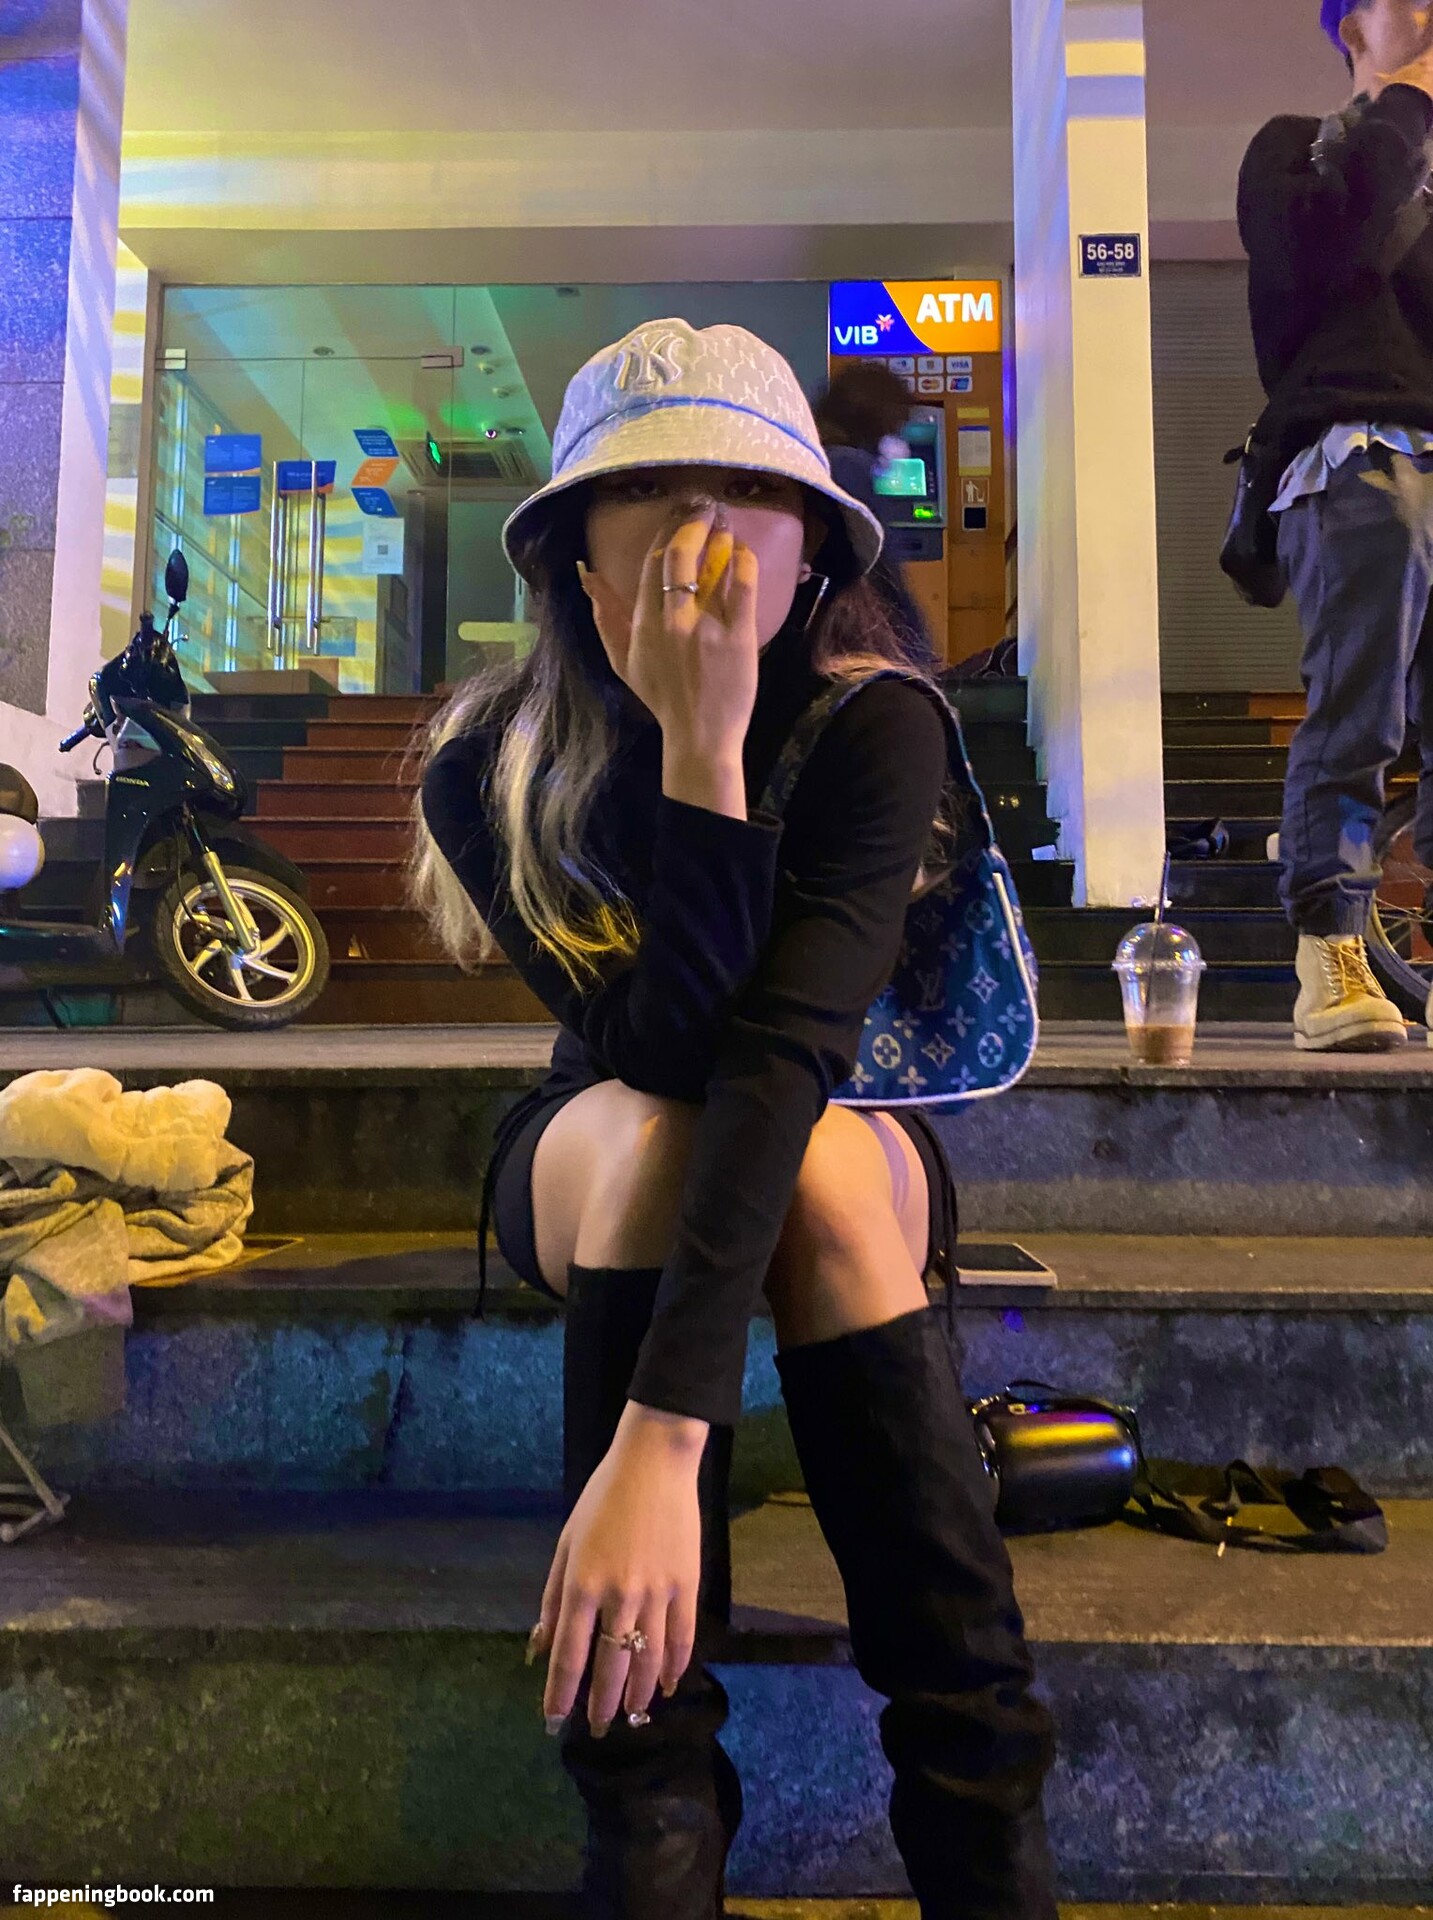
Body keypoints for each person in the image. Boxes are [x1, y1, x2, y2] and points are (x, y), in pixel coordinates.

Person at [412, 318, 1058, 1919]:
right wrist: (697, 758)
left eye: (751, 491)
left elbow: (781, 1057)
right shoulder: (490, 760)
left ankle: (980, 1801)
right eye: (653, 490)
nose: (705, 530)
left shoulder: (877, 722)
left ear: (814, 541)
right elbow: (660, 1049)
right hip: (603, 1138)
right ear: (573, 557)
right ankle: (650, 1827)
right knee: (654, 1133)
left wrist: (663, 1432)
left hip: (832, 1115)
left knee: (816, 1174)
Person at [1238, 0, 1433, 1050]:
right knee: (1357, 717)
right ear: (1349, 27)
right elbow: (1339, 247)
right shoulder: (1294, 152)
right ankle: (1330, 953)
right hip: (1360, 454)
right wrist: (1408, 102)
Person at [813, 361, 938, 662]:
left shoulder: (823, 460)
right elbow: (881, 570)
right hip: (857, 636)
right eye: (898, 420)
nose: (898, 431)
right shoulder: (850, 467)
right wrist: (917, 652)